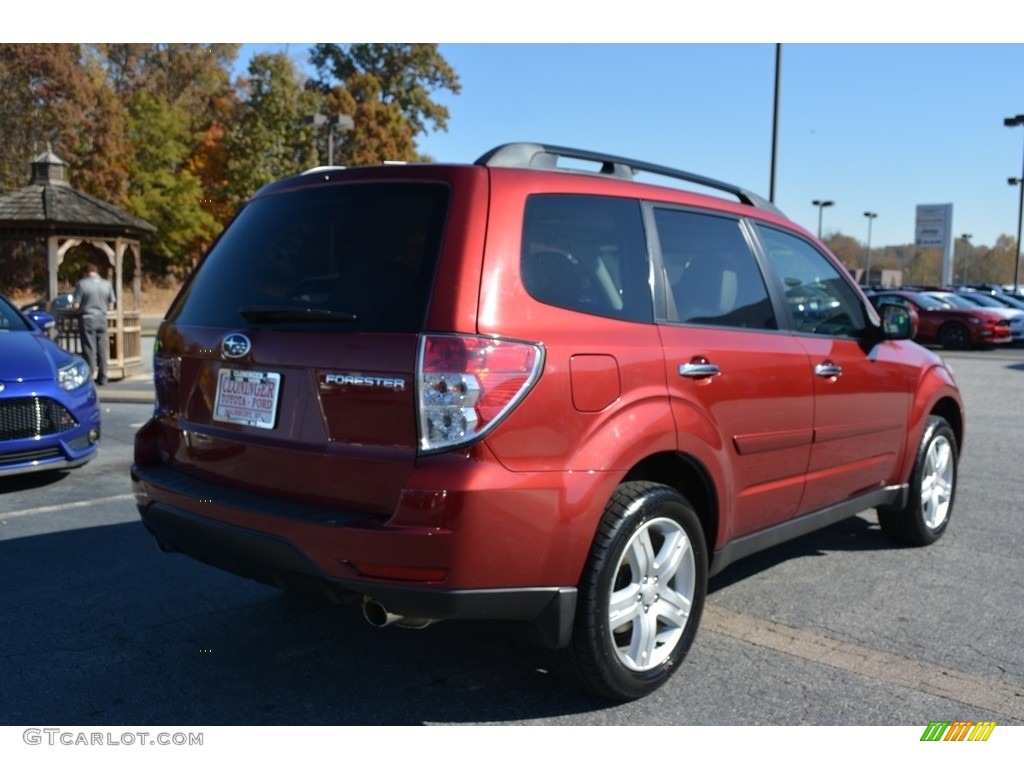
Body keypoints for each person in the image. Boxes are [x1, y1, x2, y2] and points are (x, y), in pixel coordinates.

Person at [72, 263, 116, 385]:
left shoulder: (82, 284)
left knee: (89, 349)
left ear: (86, 273)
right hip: (102, 318)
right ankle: (103, 376)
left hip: (87, 318)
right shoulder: (106, 284)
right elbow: (111, 304)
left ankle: (90, 376)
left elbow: (76, 305)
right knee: (102, 349)